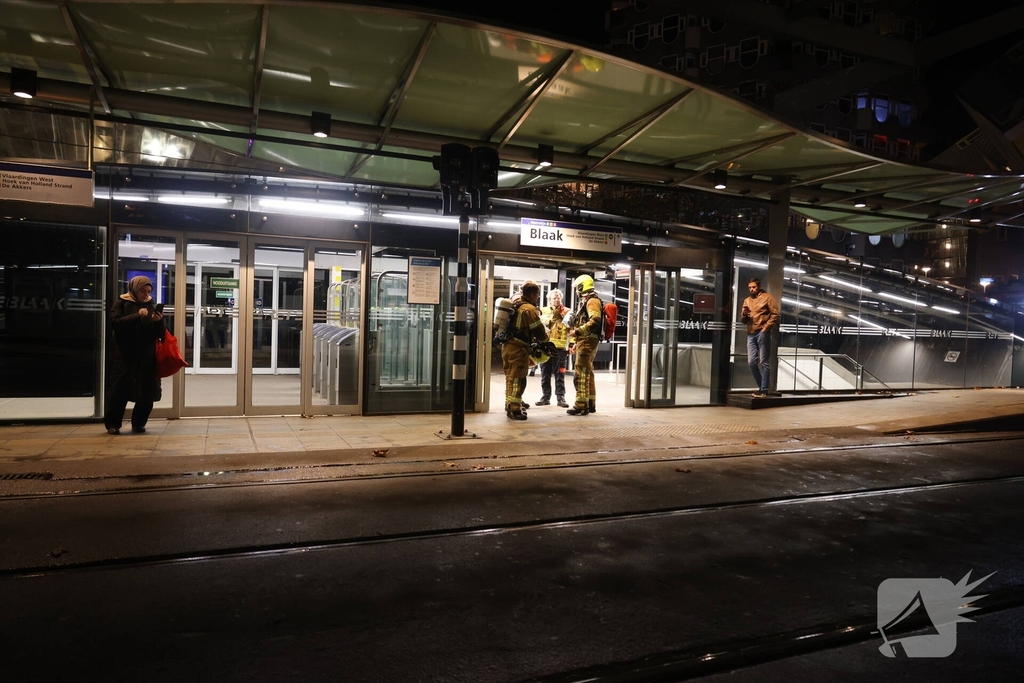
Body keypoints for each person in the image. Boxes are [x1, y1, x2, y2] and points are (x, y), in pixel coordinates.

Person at [104, 276, 165, 434]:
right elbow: (115, 323)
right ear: (134, 290)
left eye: (149, 292)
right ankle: (113, 424)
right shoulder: (122, 303)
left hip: (146, 357)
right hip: (124, 355)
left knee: (146, 392)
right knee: (119, 391)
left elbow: (160, 334)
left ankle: (139, 424)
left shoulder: (150, 305)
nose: (146, 295)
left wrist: (159, 321)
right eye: (143, 291)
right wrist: (138, 315)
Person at [500, 281, 548, 420]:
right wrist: (546, 340)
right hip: (518, 348)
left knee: (510, 377)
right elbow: (539, 331)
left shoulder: (515, 304)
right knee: (517, 379)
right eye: (537, 295)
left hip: (507, 346)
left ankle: (509, 403)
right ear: (532, 294)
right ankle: (515, 410)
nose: (537, 298)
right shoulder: (529, 309)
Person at [566, 274, 603, 416]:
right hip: (587, 340)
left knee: (581, 372)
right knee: (588, 371)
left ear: (582, 286)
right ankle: (590, 403)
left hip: (587, 340)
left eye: (577, 288)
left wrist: (578, 331)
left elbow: (595, 320)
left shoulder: (591, 301)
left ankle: (581, 404)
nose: (576, 291)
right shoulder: (591, 300)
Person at [740, 277, 780, 397]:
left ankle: (764, 389)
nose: (751, 289)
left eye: (754, 287)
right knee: (752, 362)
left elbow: (775, 314)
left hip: (762, 331)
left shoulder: (767, 297)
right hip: (751, 333)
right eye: (750, 287)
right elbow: (743, 320)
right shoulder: (747, 301)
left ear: (758, 286)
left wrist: (765, 328)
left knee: (764, 361)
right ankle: (761, 387)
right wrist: (744, 314)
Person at [535, 288, 570, 408]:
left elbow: (572, 329)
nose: (557, 300)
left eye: (558, 298)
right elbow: (540, 326)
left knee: (560, 374)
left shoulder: (567, 312)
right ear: (549, 300)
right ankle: (546, 396)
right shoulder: (543, 311)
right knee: (545, 373)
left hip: (560, 348)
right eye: (554, 298)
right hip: (545, 347)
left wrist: (571, 345)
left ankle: (561, 397)